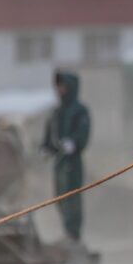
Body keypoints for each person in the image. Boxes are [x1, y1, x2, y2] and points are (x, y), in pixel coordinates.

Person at [42, 70, 90, 242]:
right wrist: (47, 147)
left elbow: (83, 131)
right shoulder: (56, 112)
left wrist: (74, 143)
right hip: (59, 161)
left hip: (73, 161)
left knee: (72, 196)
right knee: (59, 195)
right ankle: (66, 229)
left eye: (62, 85)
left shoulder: (79, 111)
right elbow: (50, 133)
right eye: (58, 86)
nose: (60, 89)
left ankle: (73, 233)